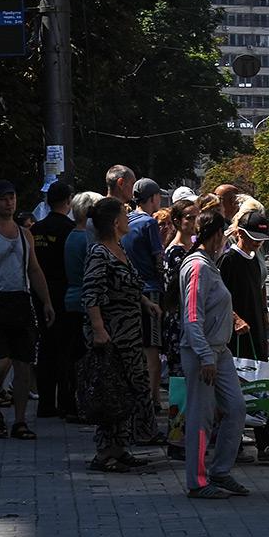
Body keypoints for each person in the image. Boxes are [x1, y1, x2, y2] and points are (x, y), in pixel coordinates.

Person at [0, 180, 56, 440]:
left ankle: (19, 421)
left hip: (21, 302)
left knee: (23, 365)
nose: (9, 202)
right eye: (4, 198)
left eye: (12, 197)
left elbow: (34, 270)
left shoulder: (25, 234)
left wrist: (47, 301)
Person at [81, 197, 162, 472]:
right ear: (116, 223)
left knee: (130, 389)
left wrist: (145, 302)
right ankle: (104, 453)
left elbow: (126, 284)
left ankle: (121, 446)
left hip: (129, 334)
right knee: (112, 391)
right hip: (112, 338)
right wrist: (99, 329)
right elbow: (91, 293)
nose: (129, 219)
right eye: (125, 216)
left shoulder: (119, 249)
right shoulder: (99, 253)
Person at [180, 208, 249, 499]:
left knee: (236, 408)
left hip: (219, 352)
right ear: (218, 234)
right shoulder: (196, 266)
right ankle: (197, 482)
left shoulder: (210, 264)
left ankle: (220, 472)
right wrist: (205, 356)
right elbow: (191, 315)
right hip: (203, 355)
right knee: (201, 418)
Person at [219, 208, 269, 462]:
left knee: (261, 385)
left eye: (261, 240)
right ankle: (232, 444)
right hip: (235, 335)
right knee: (235, 389)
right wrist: (235, 319)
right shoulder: (228, 260)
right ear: (240, 234)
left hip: (255, 331)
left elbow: (259, 294)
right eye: (253, 237)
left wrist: (264, 326)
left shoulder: (254, 260)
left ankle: (266, 442)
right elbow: (221, 297)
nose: (257, 243)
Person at [121, 177, 166, 433]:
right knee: (153, 348)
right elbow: (158, 260)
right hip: (151, 291)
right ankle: (151, 400)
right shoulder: (149, 223)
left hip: (131, 293)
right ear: (153, 198)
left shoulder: (127, 220)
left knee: (136, 346)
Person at [30, 181, 76, 418]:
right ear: (68, 200)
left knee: (46, 347)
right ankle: (66, 401)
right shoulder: (70, 229)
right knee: (65, 349)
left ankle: (45, 402)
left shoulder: (35, 230)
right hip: (63, 292)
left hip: (40, 293)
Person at [161, 198, 198, 461]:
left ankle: (192, 437)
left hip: (192, 321)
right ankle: (177, 440)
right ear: (176, 221)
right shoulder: (174, 252)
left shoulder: (193, 247)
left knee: (192, 383)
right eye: (188, 217)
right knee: (180, 384)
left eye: (196, 217)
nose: (194, 222)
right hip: (178, 324)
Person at [63, 190, 104, 421]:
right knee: (84, 359)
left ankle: (73, 404)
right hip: (83, 302)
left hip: (72, 298)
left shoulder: (72, 236)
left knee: (74, 356)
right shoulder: (86, 240)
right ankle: (82, 405)